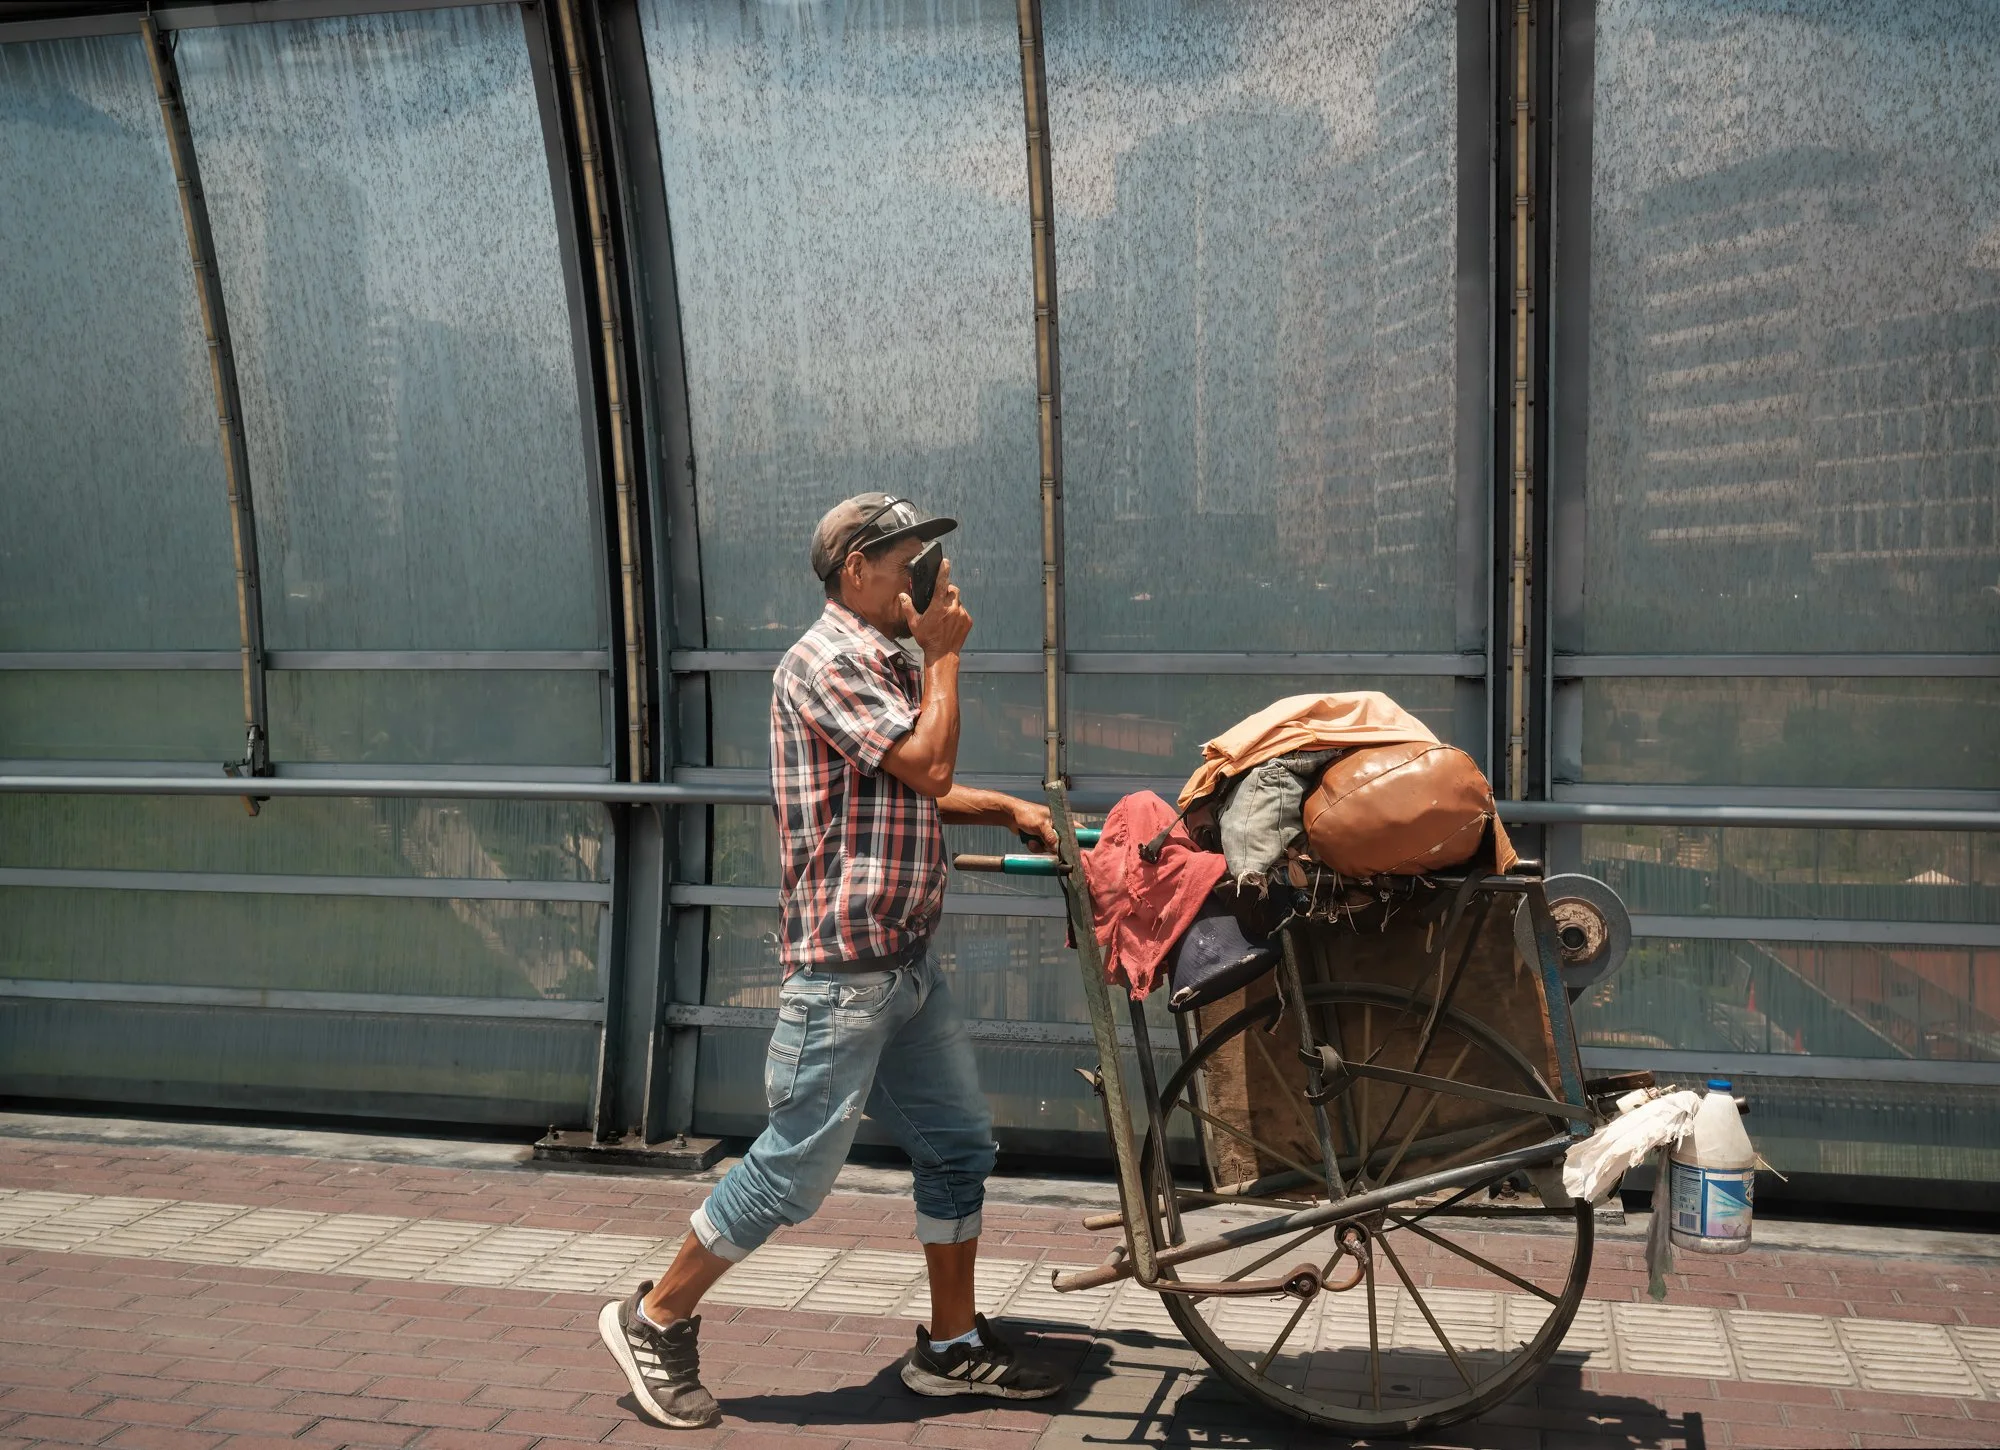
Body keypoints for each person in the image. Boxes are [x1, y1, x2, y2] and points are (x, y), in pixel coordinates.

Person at [598, 494, 1071, 1428]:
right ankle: (654, 1315)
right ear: (856, 568)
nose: (925, 579)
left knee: (957, 1147)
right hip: (846, 971)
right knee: (790, 1171)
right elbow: (926, 766)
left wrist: (1005, 807)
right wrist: (945, 656)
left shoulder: (877, 662)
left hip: (905, 967)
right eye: (908, 562)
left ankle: (950, 1344)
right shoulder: (826, 661)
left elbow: (908, 784)